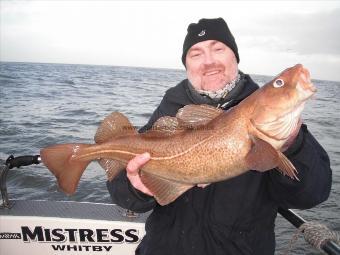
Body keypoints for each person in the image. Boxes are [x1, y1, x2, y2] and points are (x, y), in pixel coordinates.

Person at [107, 18, 332, 255]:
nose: (209, 61)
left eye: (218, 48)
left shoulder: (279, 124)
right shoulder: (168, 112)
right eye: (196, 53)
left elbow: (311, 195)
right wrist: (137, 188)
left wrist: (293, 146)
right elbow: (125, 197)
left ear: (235, 56)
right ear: (187, 65)